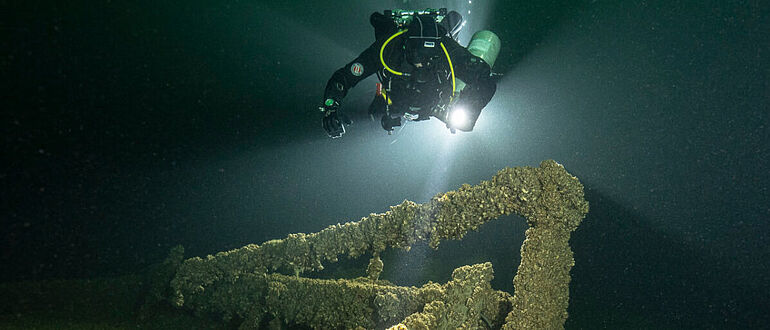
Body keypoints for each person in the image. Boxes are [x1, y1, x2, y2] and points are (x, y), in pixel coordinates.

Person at [320, 9, 498, 138]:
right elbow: (343, 77)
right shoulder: (387, 50)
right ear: (407, 47)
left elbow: (486, 79)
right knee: (373, 116)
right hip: (394, 101)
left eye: (430, 58)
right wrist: (330, 108)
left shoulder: (447, 50)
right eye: (419, 57)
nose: (423, 64)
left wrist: (469, 108)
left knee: (466, 125)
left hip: (437, 104)